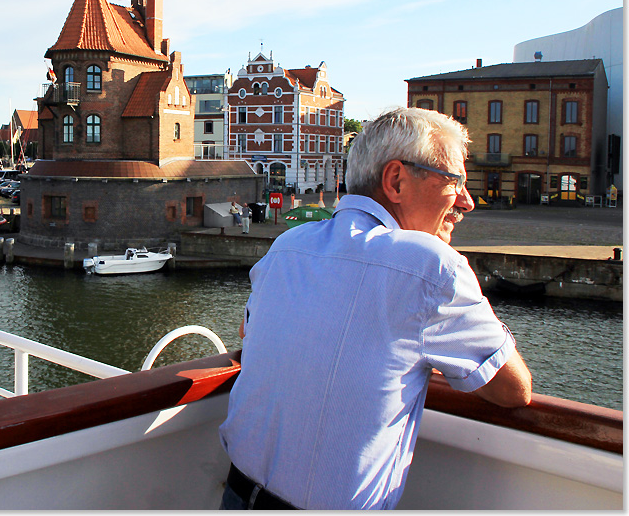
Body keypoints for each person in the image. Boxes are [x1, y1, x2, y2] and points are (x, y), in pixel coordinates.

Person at [218, 107, 531, 510]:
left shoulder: (287, 246)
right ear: (396, 180)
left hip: (236, 494)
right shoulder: (431, 267)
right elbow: (513, 390)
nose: (467, 202)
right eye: (455, 182)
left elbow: (250, 334)